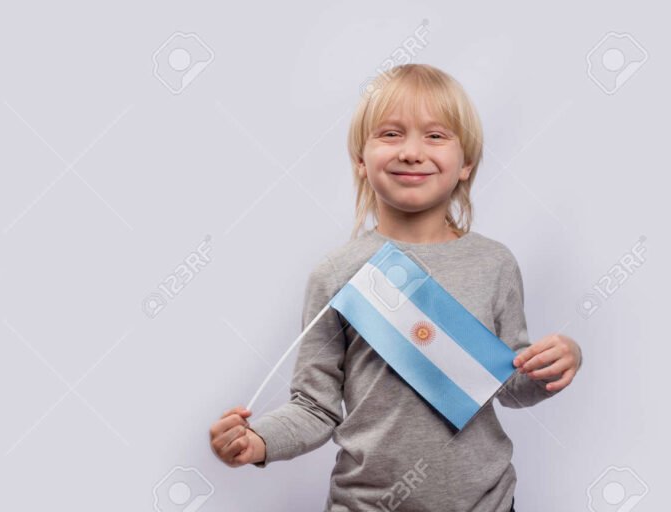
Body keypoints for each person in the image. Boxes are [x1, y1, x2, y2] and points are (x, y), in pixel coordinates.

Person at [209, 63, 583, 511]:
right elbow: (315, 407)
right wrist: (258, 440)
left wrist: (558, 363)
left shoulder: (494, 264)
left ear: (466, 164)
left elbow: (513, 387)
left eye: (436, 136)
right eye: (390, 134)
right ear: (360, 162)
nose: (411, 152)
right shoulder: (336, 274)